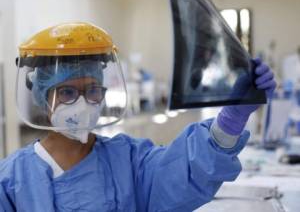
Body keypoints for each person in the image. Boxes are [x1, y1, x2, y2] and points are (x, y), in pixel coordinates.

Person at [0, 22, 276, 212]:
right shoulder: (12, 180)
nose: (82, 104)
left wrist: (231, 120)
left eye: (93, 90)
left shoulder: (130, 162)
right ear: (42, 96)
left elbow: (187, 173)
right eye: (68, 92)